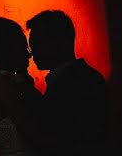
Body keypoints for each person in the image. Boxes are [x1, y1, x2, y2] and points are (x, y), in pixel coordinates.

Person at [26, 10, 108, 155]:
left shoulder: (80, 82)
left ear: (60, 42)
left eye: (37, 44)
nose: (32, 53)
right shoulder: (85, 77)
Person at [0, 18, 44, 156]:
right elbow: (32, 131)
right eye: (23, 47)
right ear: (8, 48)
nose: (28, 54)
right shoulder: (2, 83)